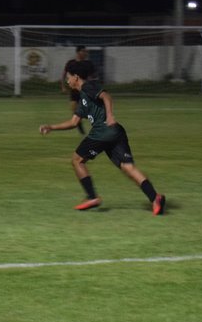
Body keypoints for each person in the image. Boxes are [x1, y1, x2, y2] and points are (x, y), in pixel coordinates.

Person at [40, 61, 165, 215]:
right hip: (115, 132)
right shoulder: (83, 97)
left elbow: (106, 96)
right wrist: (51, 127)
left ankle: (92, 197)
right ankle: (155, 197)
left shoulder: (88, 86)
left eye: (68, 77)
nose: (67, 81)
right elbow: (74, 122)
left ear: (76, 77)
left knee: (77, 160)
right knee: (128, 168)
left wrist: (110, 115)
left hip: (102, 132)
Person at [60, 46, 95, 133]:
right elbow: (64, 74)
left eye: (86, 52)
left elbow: (91, 77)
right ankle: (79, 124)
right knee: (74, 110)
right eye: (84, 51)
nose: (86, 53)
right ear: (78, 52)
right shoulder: (71, 63)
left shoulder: (88, 64)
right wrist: (63, 86)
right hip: (74, 90)